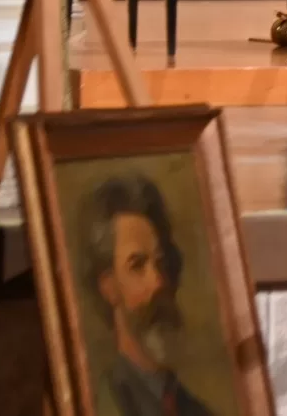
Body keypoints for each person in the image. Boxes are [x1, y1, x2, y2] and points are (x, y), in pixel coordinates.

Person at [80, 174, 214, 416]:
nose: (158, 282)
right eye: (137, 265)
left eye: (161, 262)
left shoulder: (199, 411)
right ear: (109, 287)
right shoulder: (102, 406)